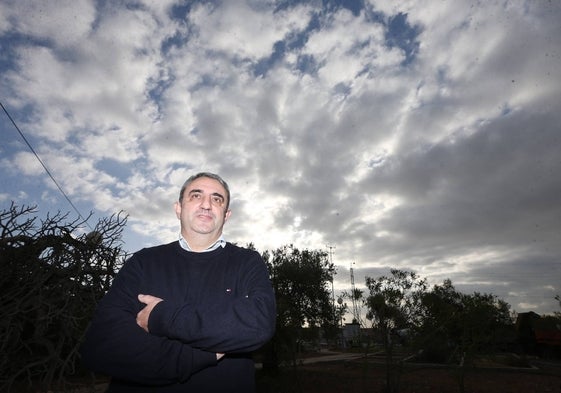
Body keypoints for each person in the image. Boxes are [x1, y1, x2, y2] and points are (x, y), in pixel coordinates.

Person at [80, 172, 276, 392]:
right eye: (195, 196)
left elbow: (257, 324)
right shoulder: (143, 262)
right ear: (178, 209)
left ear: (226, 214)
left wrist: (160, 316)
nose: (206, 204)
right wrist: (204, 354)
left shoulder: (246, 262)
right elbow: (102, 345)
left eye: (217, 199)